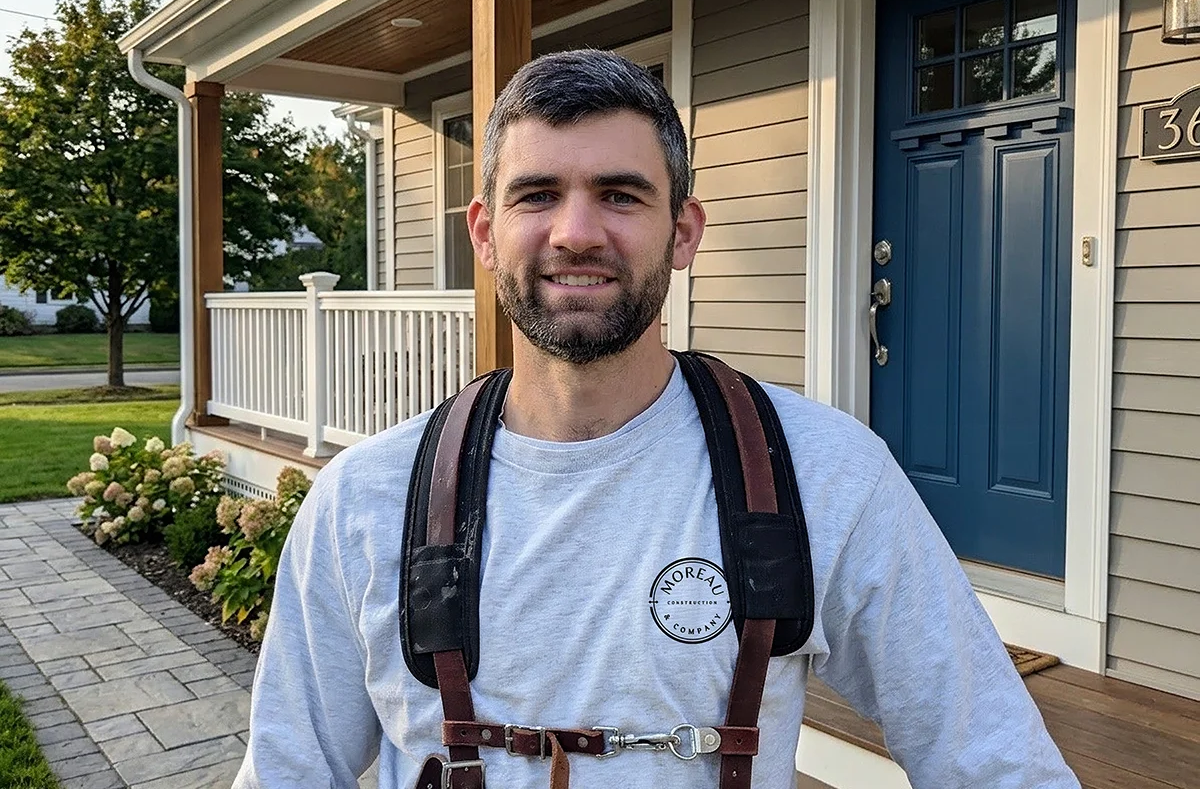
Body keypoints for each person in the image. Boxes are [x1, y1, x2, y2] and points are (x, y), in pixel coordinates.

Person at [232, 49, 1080, 789]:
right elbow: (288, 772)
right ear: (484, 234)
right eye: (537, 194)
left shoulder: (824, 476)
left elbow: (990, 759)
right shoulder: (364, 502)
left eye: (620, 194)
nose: (575, 232)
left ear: (682, 233)